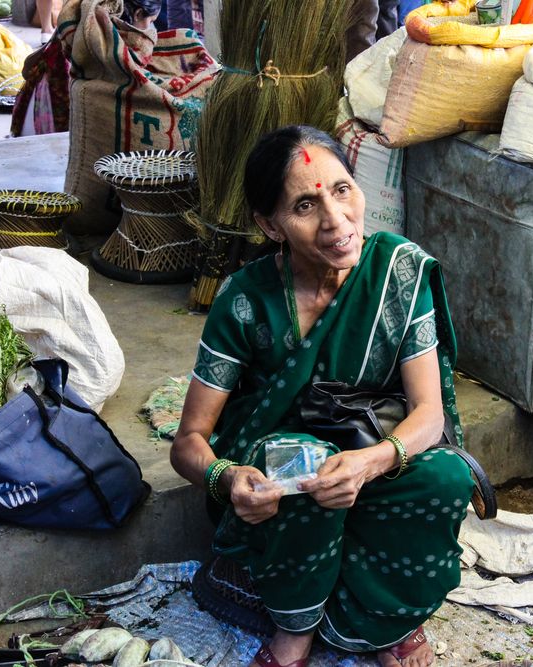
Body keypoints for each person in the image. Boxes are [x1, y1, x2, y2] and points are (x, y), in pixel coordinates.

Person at [172, 125, 475, 667]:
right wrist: (227, 478)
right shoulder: (244, 300)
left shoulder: (397, 274)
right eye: (306, 205)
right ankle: (296, 631)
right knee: (298, 460)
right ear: (271, 225)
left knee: (446, 477)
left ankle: (383, 622)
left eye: (342, 190)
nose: (336, 220)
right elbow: (189, 441)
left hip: (372, 452)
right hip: (288, 486)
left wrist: (371, 463)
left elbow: (428, 413)